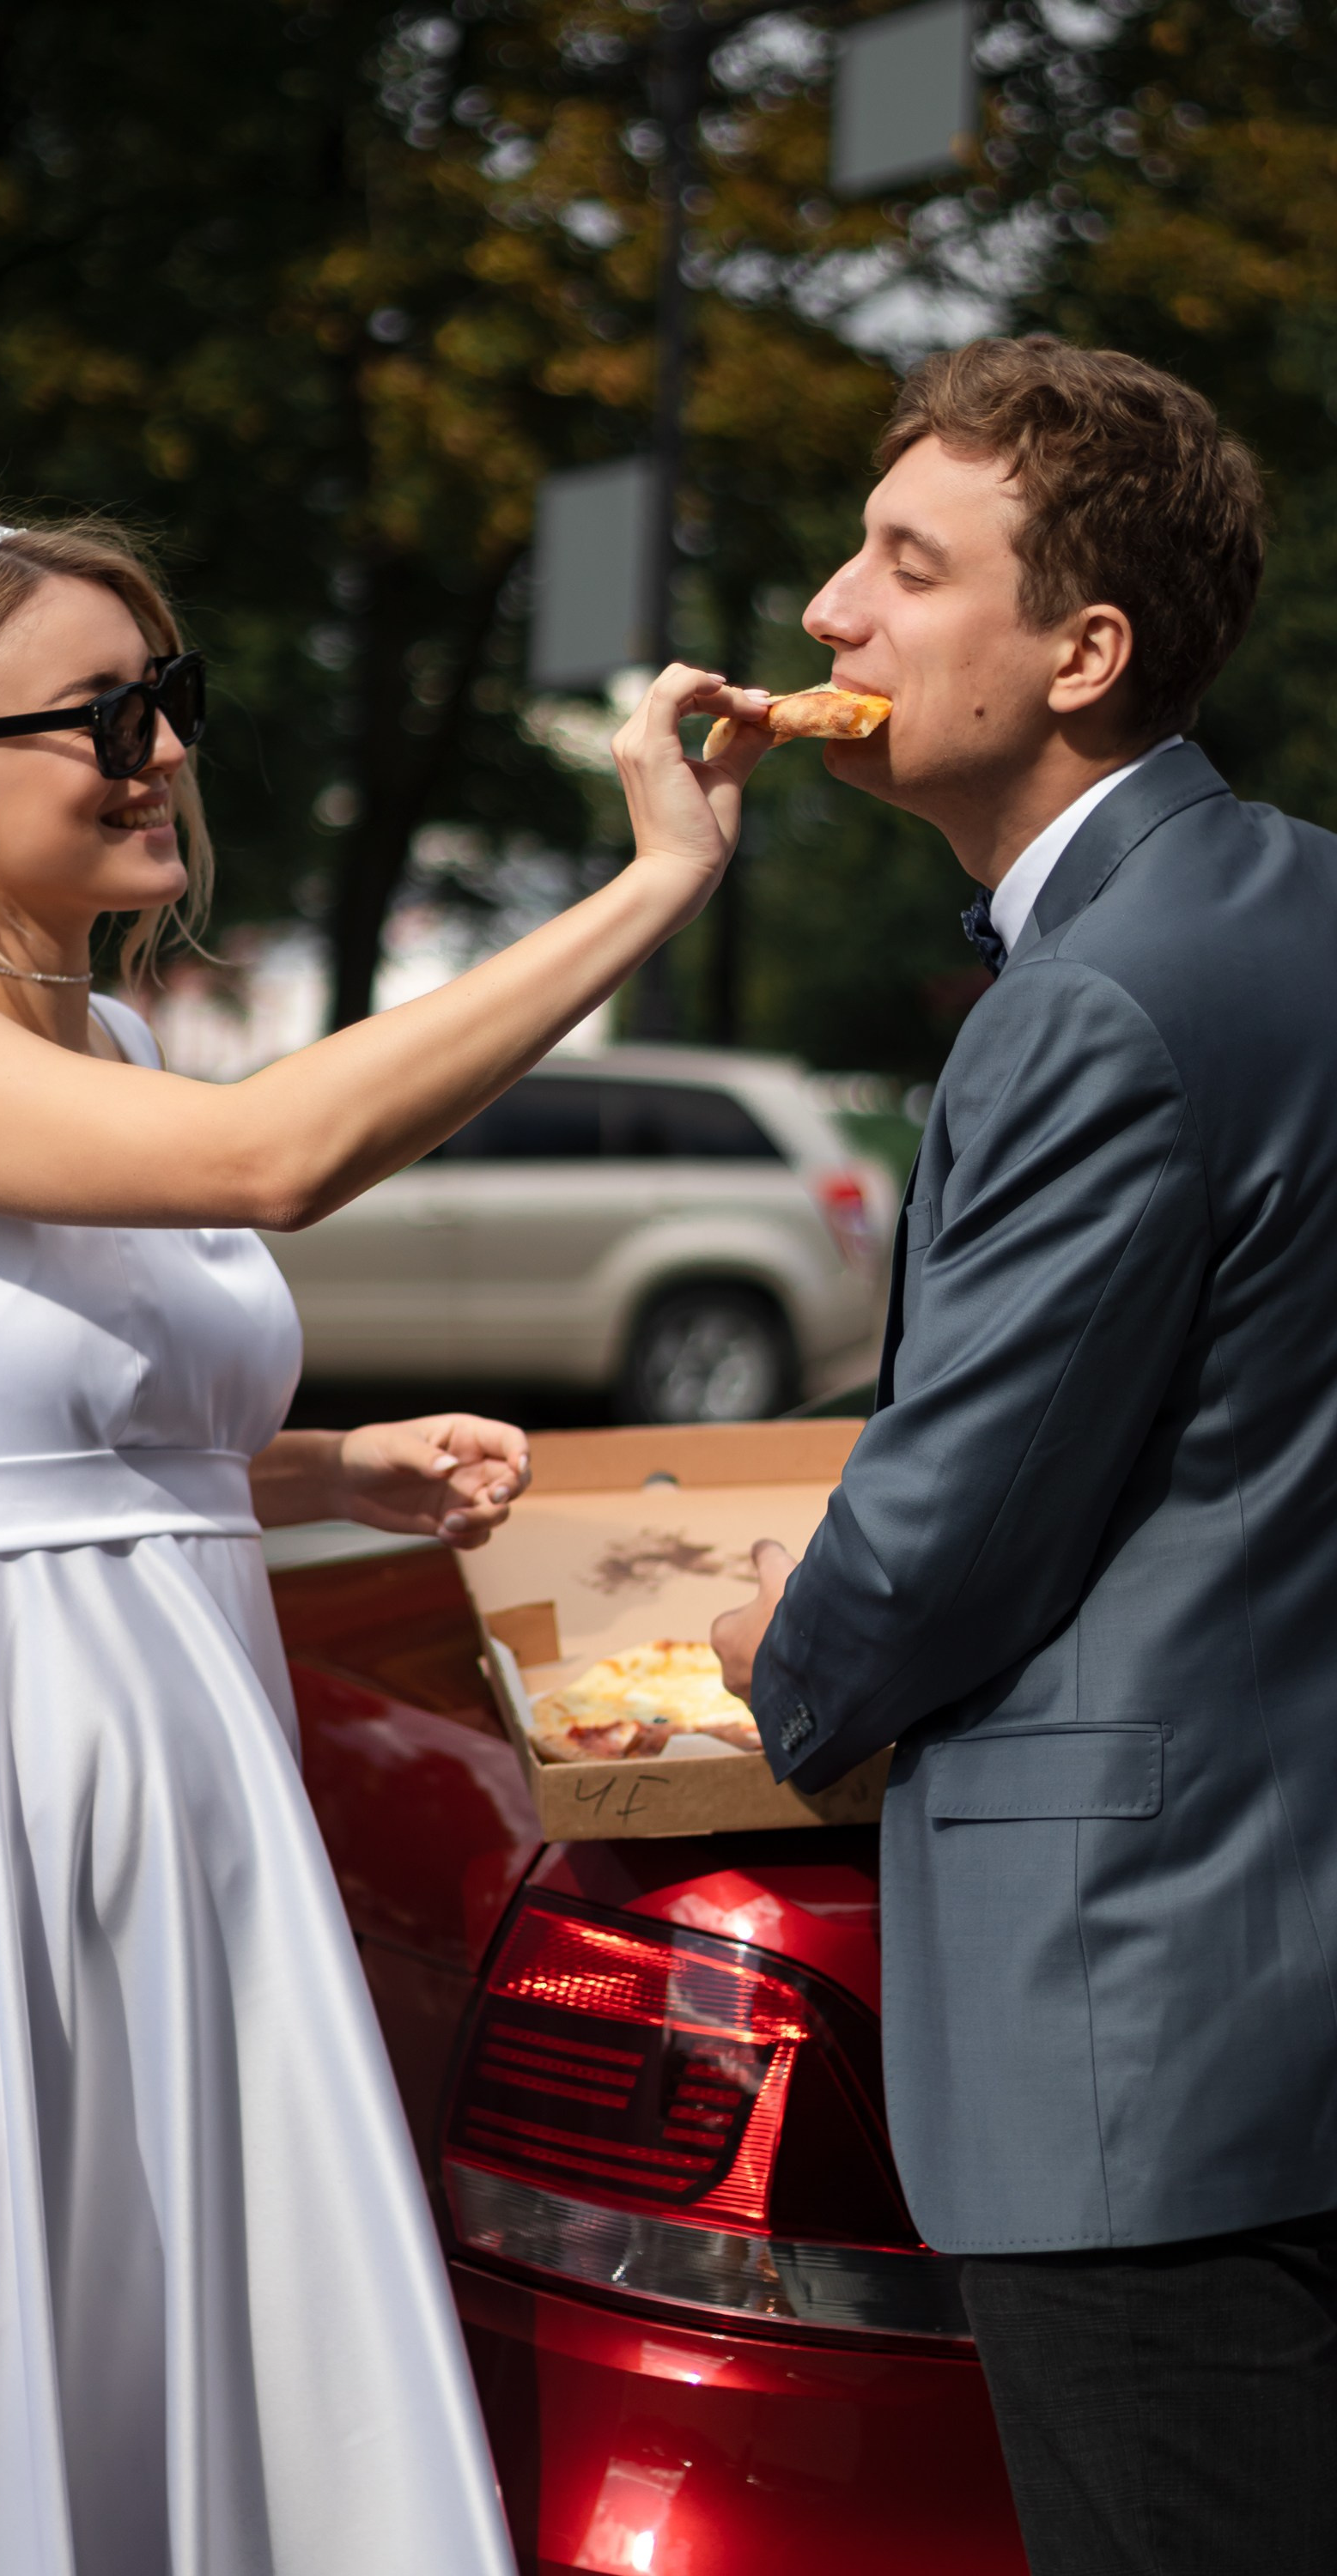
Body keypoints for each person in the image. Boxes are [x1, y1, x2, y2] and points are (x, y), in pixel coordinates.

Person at [0, 511, 769, 2575]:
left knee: (191, 2328)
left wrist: (335, 1473)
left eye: (172, 702)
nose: (154, 749)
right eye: (99, 711)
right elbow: (281, 1155)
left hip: (187, 1775)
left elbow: (65, 1448)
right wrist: (659, 877)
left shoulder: (122, 1043)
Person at [708, 334, 1337, 2576]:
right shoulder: (1299, 906)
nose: (825, 621)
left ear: (1085, 648)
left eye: (902, 564)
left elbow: (954, 1527)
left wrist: (779, 1664)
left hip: (1144, 2048)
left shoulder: (1088, 999)